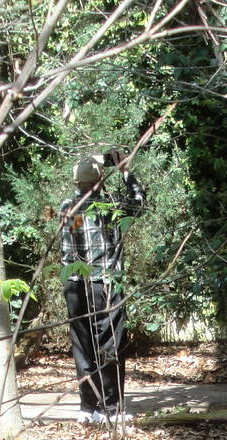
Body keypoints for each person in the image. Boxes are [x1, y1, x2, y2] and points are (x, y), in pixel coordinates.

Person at [59, 150, 147, 423]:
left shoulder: (68, 207)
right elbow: (139, 203)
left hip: (74, 282)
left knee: (82, 345)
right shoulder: (109, 207)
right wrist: (124, 171)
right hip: (104, 283)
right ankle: (112, 409)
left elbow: (71, 246)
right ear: (100, 180)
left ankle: (88, 407)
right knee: (109, 343)